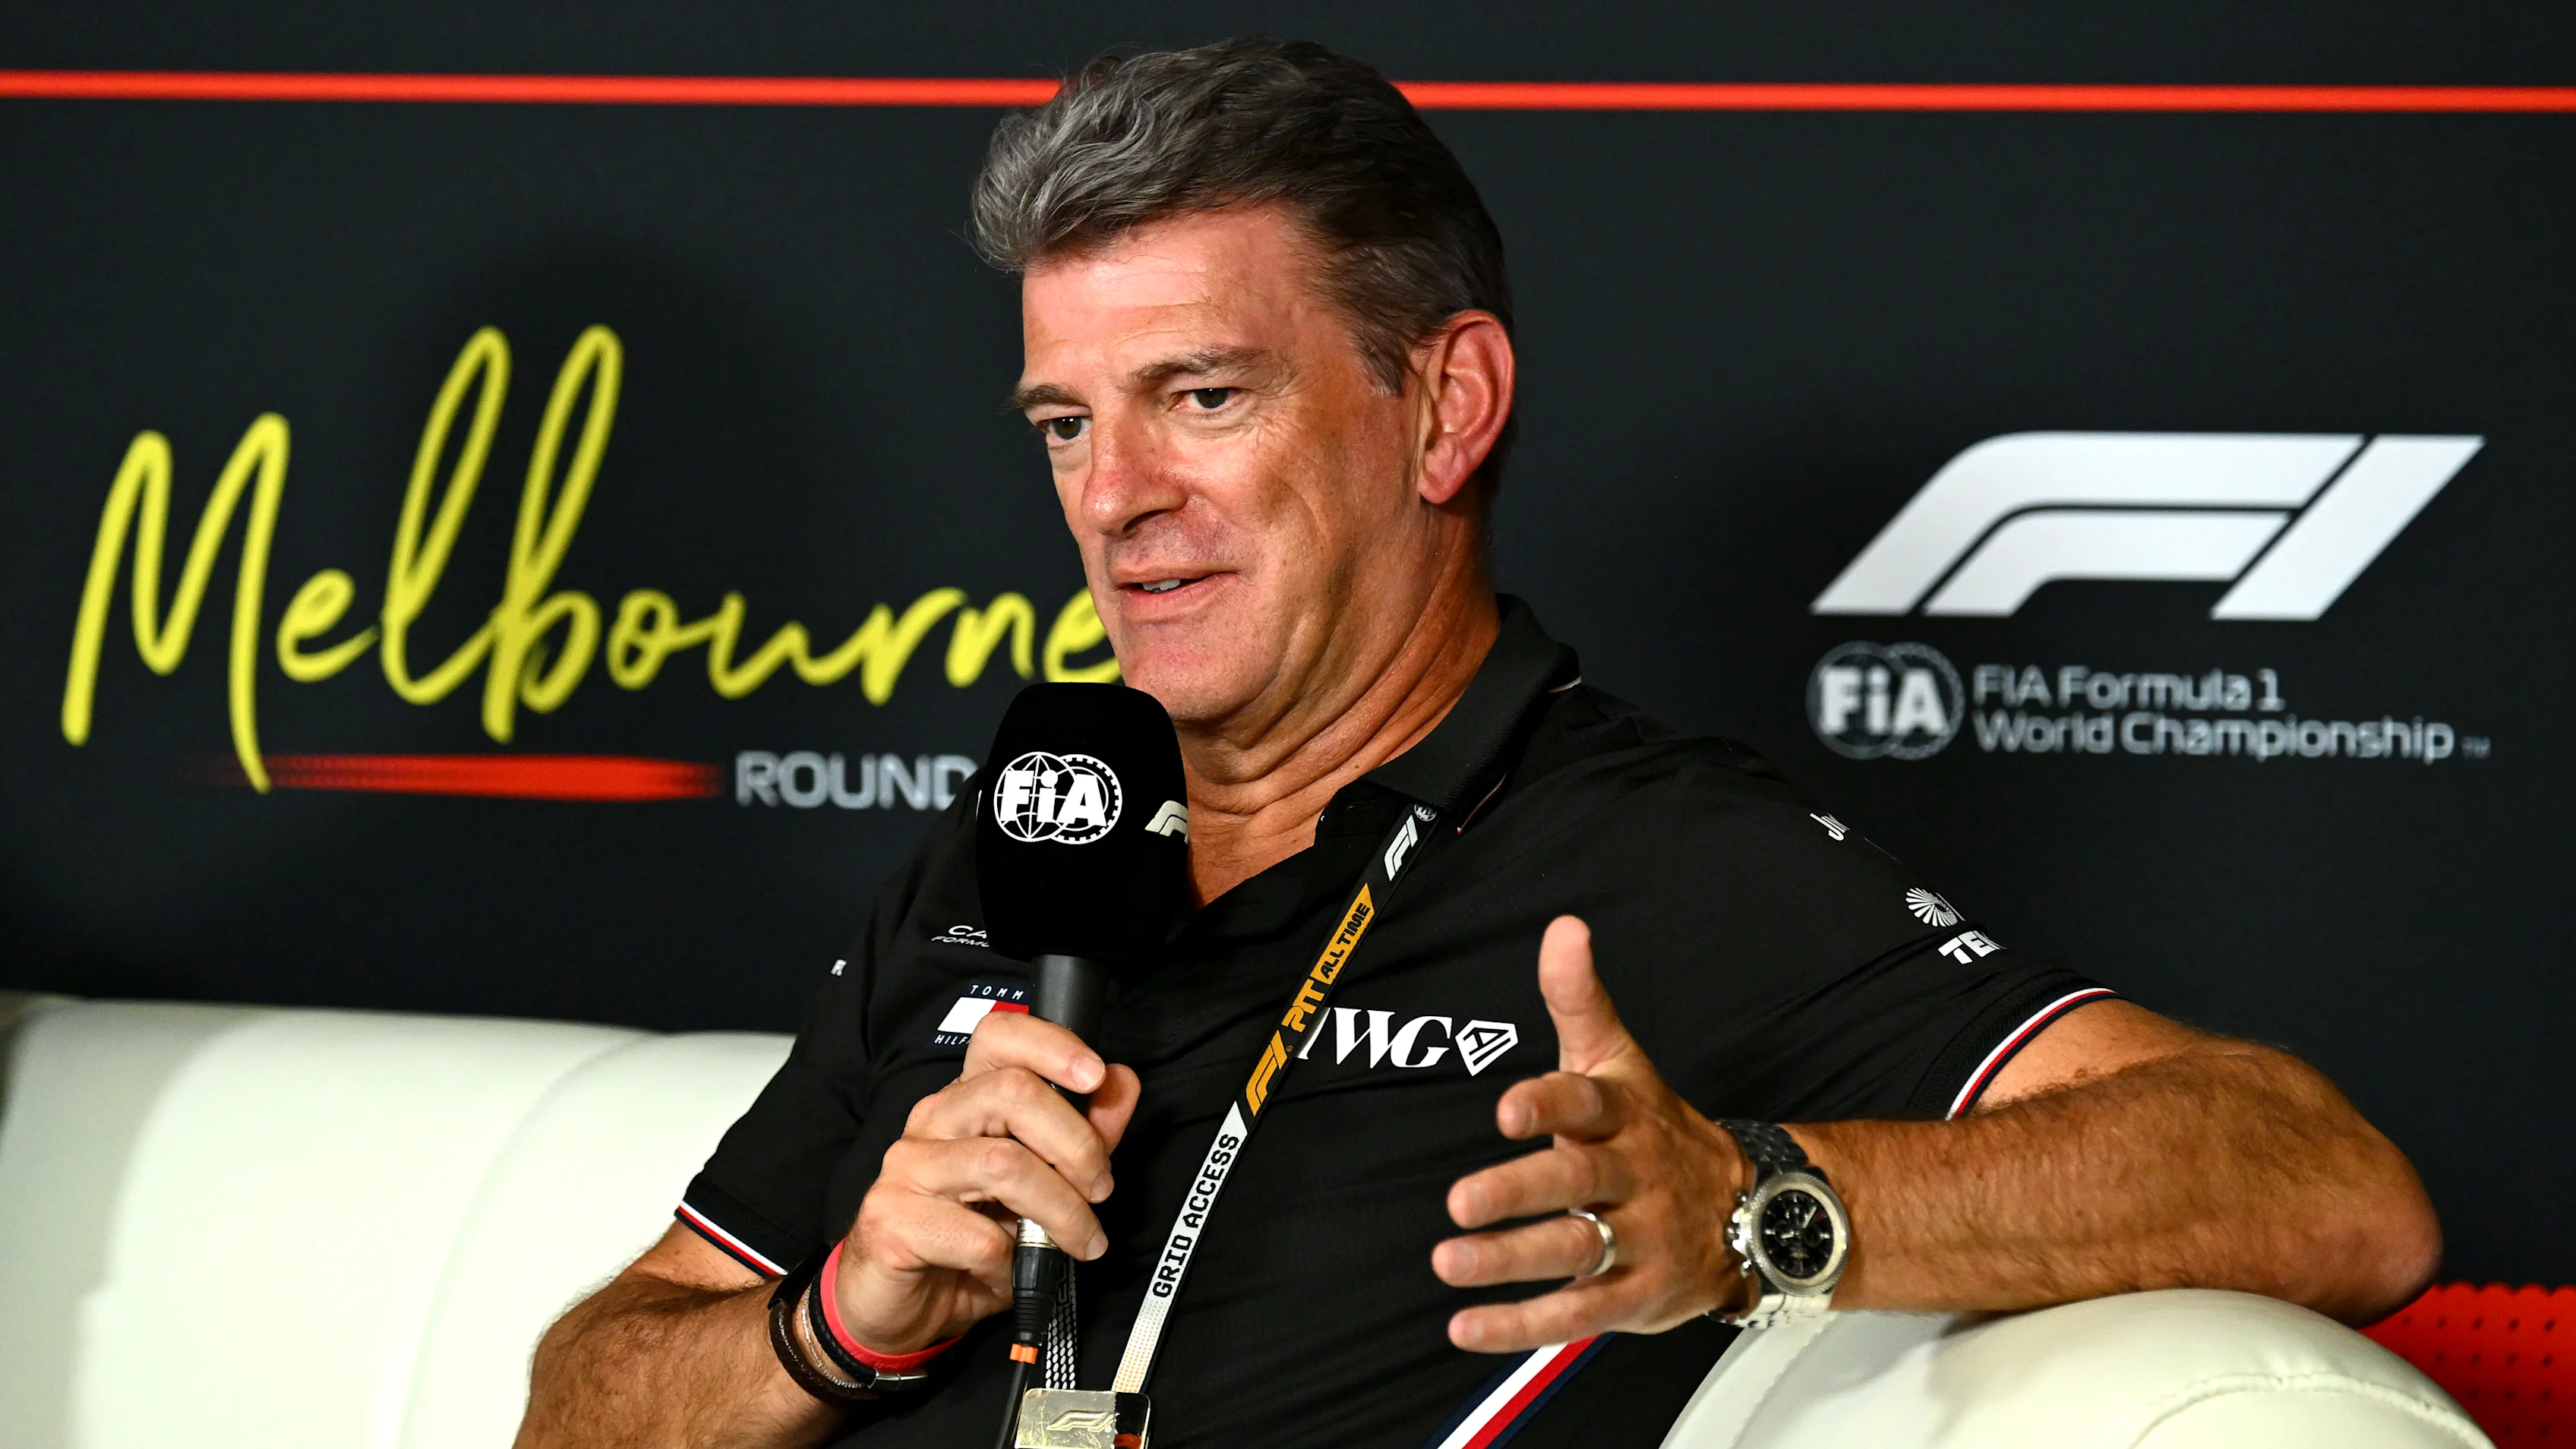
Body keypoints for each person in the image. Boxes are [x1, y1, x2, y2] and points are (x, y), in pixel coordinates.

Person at [516, 38, 2439, 1449]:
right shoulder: (1029, 832)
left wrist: (1749, 1204)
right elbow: (576, 1406)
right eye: (1065, 425)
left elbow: (2327, 1183)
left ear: (1444, 409)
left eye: (1202, 397)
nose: (1114, 498)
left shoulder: (1649, 854)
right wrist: (839, 1323)